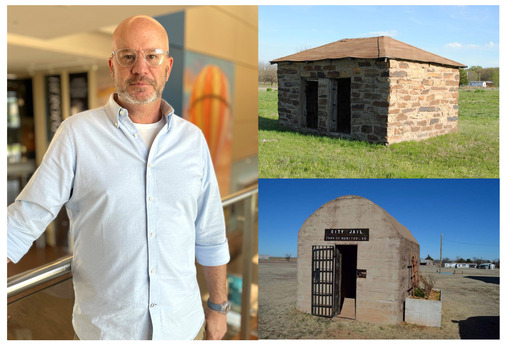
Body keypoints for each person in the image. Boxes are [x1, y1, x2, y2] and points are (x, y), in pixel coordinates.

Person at [7, 15, 230, 340]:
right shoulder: (77, 134)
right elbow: (24, 219)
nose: (141, 68)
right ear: (112, 66)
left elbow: (210, 233)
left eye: (152, 56)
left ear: (167, 67)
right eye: (128, 57)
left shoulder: (193, 140)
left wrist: (219, 307)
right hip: (108, 333)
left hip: (185, 327)